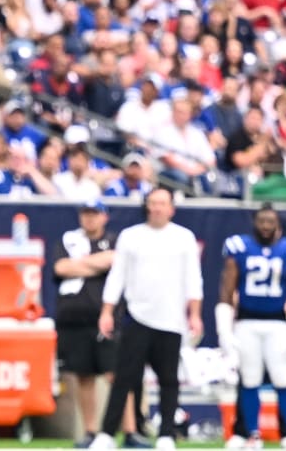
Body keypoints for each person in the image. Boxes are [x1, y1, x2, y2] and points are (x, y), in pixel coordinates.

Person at [91, 187, 204, 451]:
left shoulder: (183, 238)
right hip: (137, 318)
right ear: (146, 206)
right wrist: (107, 311)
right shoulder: (131, 237)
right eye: (152, 203)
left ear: (171, 208)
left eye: (162, 203)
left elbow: (193, 279)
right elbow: (117, 276)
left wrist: (195, 314)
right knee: (124, 378)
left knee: (168, 380)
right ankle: (107, 434)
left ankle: (166, 434)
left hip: (171, 320)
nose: (156, 208)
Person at [217, 204, 286, 449]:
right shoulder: (240, 247)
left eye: (270, 221)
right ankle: (251, 434)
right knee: (249, 378)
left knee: (283, 378)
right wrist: (224, 327)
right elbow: (227, 288)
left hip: (278, 322)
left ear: (278, 224)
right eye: (261, 221)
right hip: (247, 321)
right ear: (254, 223)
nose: (266, 226)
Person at [53, 200, 133, 449]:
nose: (89, 218)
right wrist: (96, 264)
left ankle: (129, 431)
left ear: (104, 217)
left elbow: (115, 261)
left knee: (116, 374)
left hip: (106, 316)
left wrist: (81, 264)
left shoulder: (115, 240)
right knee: (83, 375)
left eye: (94, 214)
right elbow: (61, 267)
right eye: (86, 213)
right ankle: (91, 430)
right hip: (73, 318)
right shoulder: (68, 240)